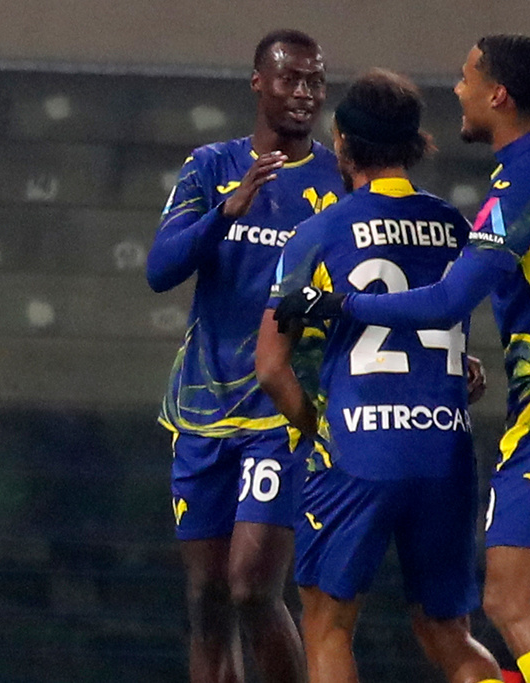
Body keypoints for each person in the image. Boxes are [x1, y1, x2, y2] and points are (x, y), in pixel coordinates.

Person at [275, 35, 530, 683]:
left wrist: (337, 316)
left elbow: (271, 363)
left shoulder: (518, 185)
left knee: (498, 601)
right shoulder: (528, 181)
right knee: (522, 616)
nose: (458, 89)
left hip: (529, 421)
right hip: (449, 447)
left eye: (467, 77)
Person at [257, 69, 502, 683]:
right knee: (449, 633)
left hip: (358, 450)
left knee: (328, 624)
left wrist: (322, 427)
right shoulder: (454, 225)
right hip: (445, 450)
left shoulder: (316, 233)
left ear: (341, 141)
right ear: (416, 143)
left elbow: (270, 367)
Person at [146, 28, 343, 683]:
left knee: (253, 586)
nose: (305, 93)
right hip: (203, 406)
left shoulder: (336, 177)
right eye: (291, 79)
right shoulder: (211, 166)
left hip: (282, 405)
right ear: (259, 82)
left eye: (315, 81)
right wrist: (226, 213)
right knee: (206, 597)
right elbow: (160, 269)